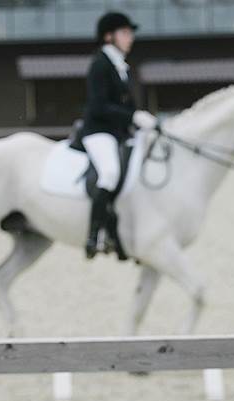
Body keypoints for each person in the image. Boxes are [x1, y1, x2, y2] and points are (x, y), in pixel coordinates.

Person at [79, 11, 157, 260]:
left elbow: (125, 105)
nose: (130, 38)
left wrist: (140, 119)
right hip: (98, 131)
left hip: (118, 133)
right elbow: (99, 105)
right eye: (125, 33)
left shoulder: (120, 66)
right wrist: (132, 117)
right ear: (109, 36)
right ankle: (95, 235)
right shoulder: (100, 64)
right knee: (110, 173)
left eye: (130, 33)